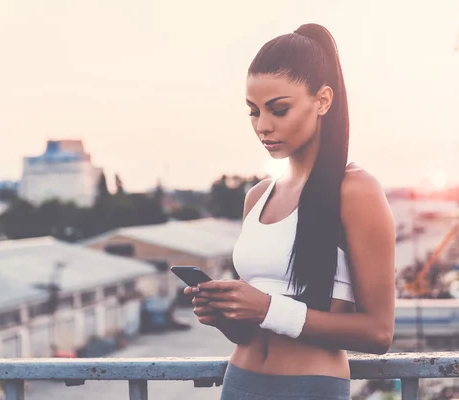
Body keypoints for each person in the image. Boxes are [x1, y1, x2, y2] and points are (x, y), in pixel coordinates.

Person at [184, 22, 395, 400]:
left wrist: (267, 309)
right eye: (253, 112)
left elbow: (378, 333)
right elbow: (253, 327)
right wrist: (223, 316)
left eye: (278, 110)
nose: (263, 127)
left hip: (310, 387)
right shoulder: (258, 196)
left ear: (323, 101)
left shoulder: (355, 191)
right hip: (240, 380)